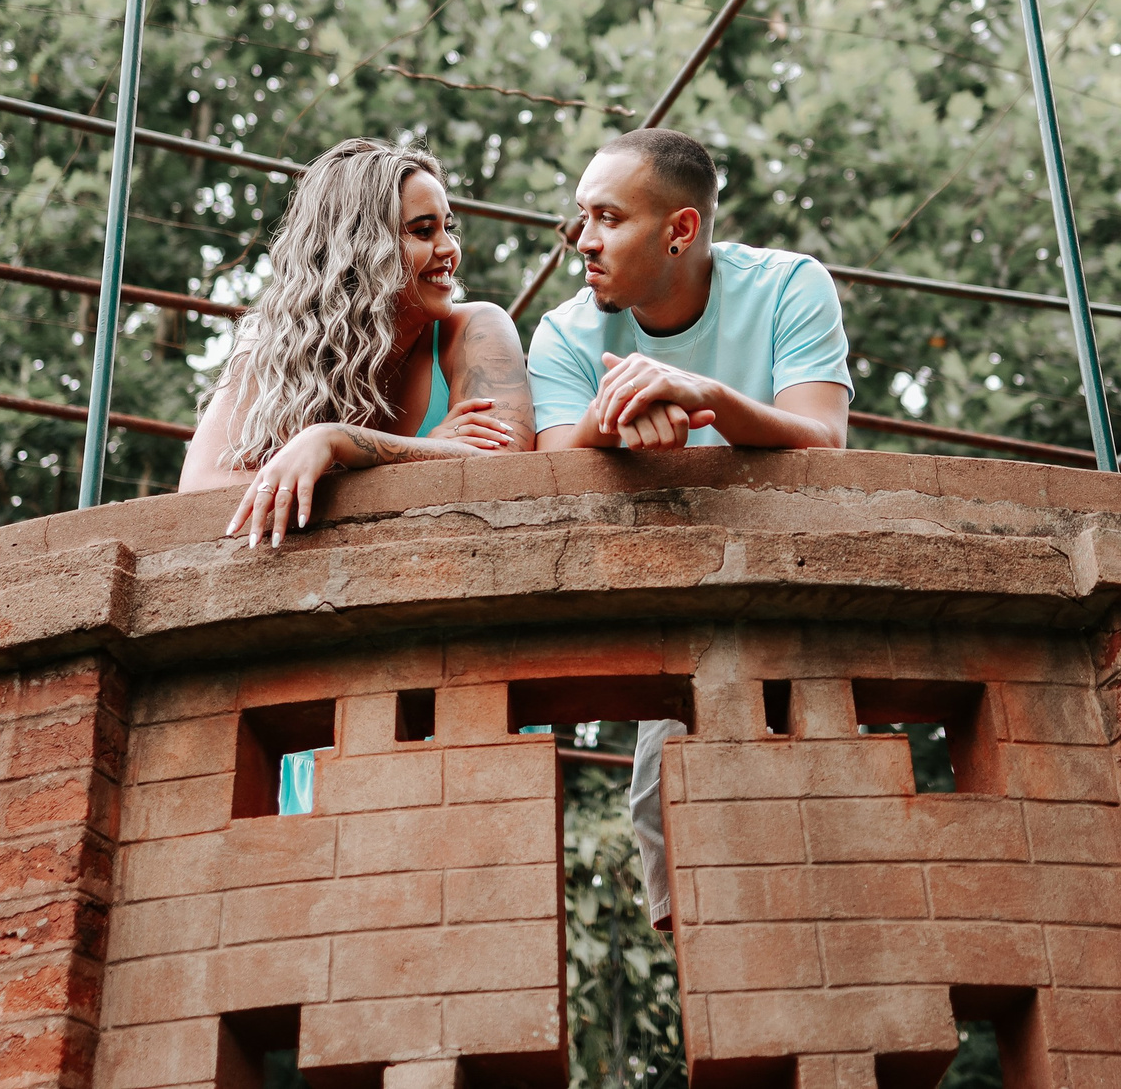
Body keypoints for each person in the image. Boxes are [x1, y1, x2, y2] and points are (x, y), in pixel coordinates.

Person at [525, 127, 853, 930]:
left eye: (608, 217)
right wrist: (625, 410)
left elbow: (824, 440)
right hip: (665, 609)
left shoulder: (790, 286)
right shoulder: (567, 332)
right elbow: (553, 458)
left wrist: (700, 393)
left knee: (829, 843)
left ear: (680, 230)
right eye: (581, 217)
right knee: (670, 824)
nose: (584, 241)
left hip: (798, 595)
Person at [179, 138, 535, 550]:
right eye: (423, 231)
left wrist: (335, 442)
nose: (449, 249)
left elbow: (509, 470)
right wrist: (430, 451)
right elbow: (198, 488)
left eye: (448, 228)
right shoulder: (276, 340)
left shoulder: (476, 328)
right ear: (359, 248)